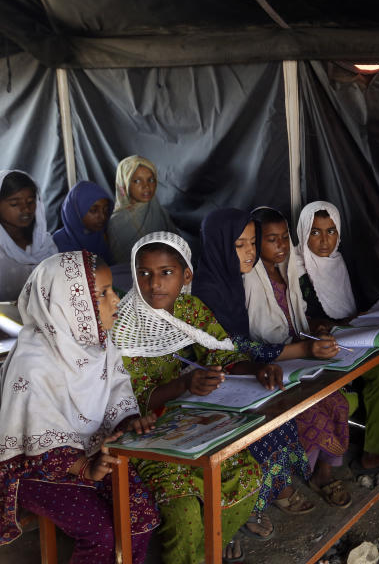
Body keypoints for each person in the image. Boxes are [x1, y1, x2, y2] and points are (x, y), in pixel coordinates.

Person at [0, 251, 159, 562]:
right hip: (34, 468)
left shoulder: (100, 345)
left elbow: (116, 397)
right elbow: (35, 443)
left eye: (112, 290)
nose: (116, 301)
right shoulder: (33, 362)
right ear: (71, 305)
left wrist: (128, 424)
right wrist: (85, 468)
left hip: (94, 454)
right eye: (103, 293)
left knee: (141, 515)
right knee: (101, 531)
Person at [111, 231, 274, 563]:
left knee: (248, 477)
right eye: (144, 273)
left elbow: (221, 355)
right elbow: (129, 402)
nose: (154, 283)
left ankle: (202, 556)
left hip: (195, 420)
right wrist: (185, 385)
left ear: (186, 275)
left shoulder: (190, 308)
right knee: (183, 511)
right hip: (145, 433)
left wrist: (256, 368)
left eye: (166, 272)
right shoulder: (124, 324)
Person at [195, 208, 346, 533]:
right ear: (221, 245)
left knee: (294, 402)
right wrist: (297, 351)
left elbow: (238, 350)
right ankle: (252, 508)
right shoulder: (209, 291)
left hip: (237, 371)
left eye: (253, 242)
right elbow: (232, 347)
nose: (250, 251)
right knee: (272, 418)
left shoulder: (232, 281)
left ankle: (277, 490)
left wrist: (264, 364)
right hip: (207, 384)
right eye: (241, 244)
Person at [245, 207, 352, 508]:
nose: (281, 246)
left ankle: (323, 472)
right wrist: (303, 347)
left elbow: (298, 320)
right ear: (255, 243)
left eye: (284, 238)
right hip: (273, 364)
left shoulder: (287, 270)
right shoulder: (251, 281)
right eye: (271, 240)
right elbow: (256, 340)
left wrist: (313, 331)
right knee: (311, 412)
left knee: (337, 400)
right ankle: (289, 483)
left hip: (298, 355)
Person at [296, 201, 379, 472]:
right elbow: (296, 318)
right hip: (315, 348)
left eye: (331, 231)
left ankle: (374, 452)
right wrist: (325, 326)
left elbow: (350, 309)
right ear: (303, 232)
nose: (324, 240)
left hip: (348, 341)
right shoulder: (296, 268)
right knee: (347, 393)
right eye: (315, 232)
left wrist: (354, 321)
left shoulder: (341, 263)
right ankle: (323, 466)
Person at [0, 170, 58, 301]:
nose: (26, 209)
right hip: (3, 321)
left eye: (31, 202)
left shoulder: (45, 242)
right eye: (14, 204)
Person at [107, 156, 179, 266]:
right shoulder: (116, 223)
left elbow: (176, 245)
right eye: (136, 181)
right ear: (124, 183)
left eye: (151, 180)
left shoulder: (158, 210)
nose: (146, 186)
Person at [53, 181, 114, 264]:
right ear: (76, 212)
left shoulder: (102, 237)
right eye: (93, 210)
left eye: (106, 210)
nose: (102, 217)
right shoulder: (56, 244)